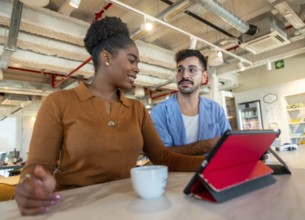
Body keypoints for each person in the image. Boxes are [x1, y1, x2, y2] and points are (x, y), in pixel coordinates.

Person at [14, 17, 204, 216]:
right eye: (131, 60)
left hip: (128, 208)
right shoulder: (59, 102)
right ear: (106, 57)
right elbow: (38, 167)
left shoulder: (137, 109)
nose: (137, 68)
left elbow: (163, 157)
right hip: (74, 210)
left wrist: (210, 163)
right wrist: (31, 186)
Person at [150, 49, 231, 155]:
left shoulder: (216, 110)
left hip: (212, 171)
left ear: (204, 77)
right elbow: (160, 154)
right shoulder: (160, 112)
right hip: (176, 172)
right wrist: (204, 146)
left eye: (192, 70)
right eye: (180, 70)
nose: (185, 76)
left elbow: (229, 146)